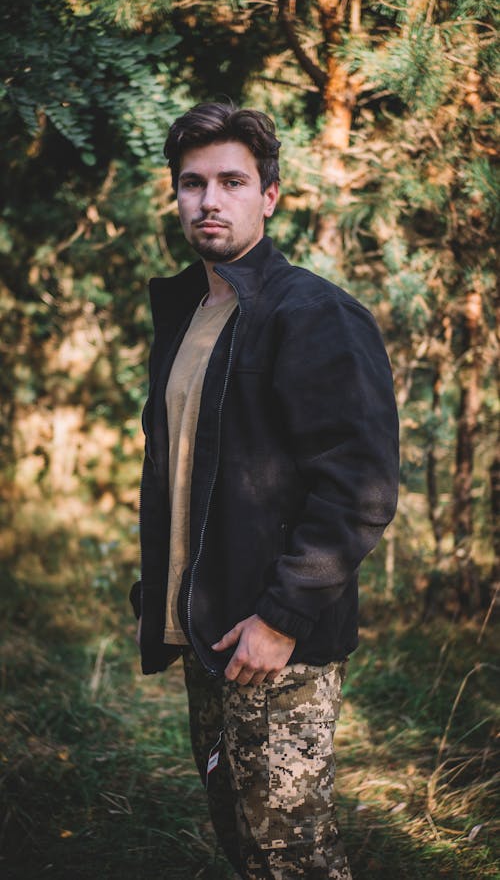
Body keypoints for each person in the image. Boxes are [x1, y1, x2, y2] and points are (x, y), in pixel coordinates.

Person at [130, 101, 399, 880]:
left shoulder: (312, 313)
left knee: (293, 851)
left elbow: (360, 485)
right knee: (240, 837)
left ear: (270, 196)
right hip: (207, 634)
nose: (209, 200)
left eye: (232, 182)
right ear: (176, 195)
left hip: (277, 644)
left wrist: (281, 620)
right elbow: (184, 468)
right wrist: (165, 592)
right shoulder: (189, 314)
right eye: (192, 183)